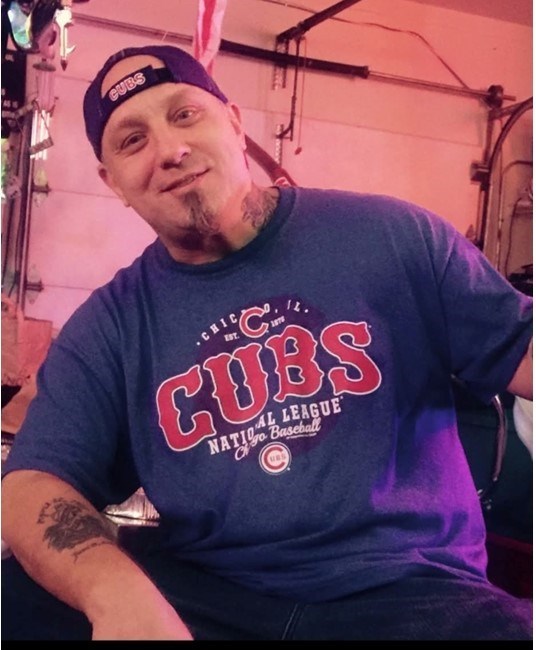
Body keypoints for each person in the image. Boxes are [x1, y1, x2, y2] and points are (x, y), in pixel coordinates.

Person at [1, 44, 533, 642]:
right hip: (211, 597)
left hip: (407, 595)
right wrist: (114, 596)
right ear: (113, 182)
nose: (170, 150)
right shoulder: (111, 324)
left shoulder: (392, 237)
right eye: (132, 140)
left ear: (234, 122)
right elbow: (29, 484)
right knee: (13, 597)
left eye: (184, 115)